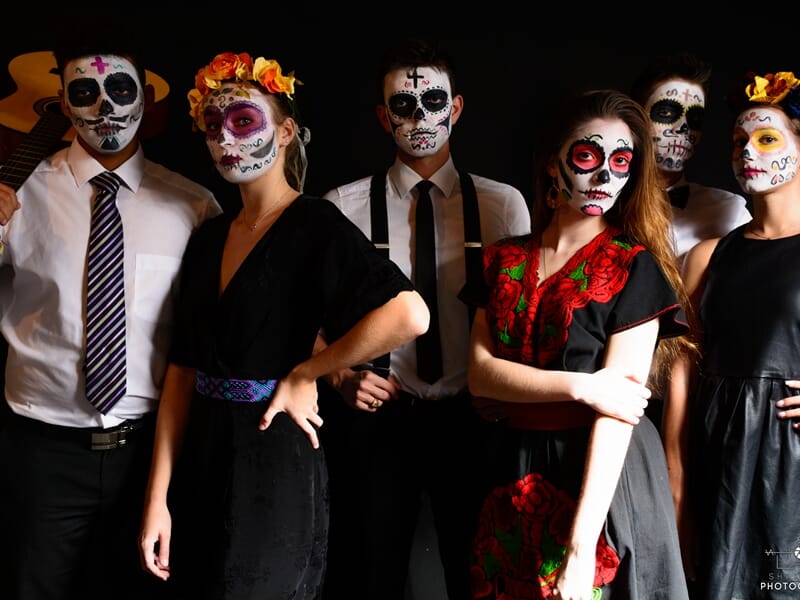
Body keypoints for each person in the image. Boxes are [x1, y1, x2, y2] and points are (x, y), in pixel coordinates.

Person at [137, 51, 429, 600]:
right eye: (213, 125)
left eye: (243, 121)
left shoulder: (314, 224)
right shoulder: (207, 238)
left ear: (287, 131)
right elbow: (182, 370)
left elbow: (410, 313)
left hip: (274, 461)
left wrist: (306, 374)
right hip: (202, 458)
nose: (226, 138)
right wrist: (157, 498)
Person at [0, 32, 221, 600]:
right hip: (39, 453)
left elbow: (226, 321)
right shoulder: (16, 193)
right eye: (86, 91)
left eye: (119, 88)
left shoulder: (193, 207)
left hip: (149, 457)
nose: (104, 106)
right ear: (63, 102)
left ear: (145, 96)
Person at [317, 37, 531, 600]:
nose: (418, 118)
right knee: (370, 572)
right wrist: (340, 376)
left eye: (432, 102)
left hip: (474, 417)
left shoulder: (503, 204)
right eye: (403, 106)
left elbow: (522, 310)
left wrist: (505, 387)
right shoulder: (343, 204)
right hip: (381, 417)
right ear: (383, 116)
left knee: (481, 571)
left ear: (456, 108)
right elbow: (312, 315)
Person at [466, 89, 693, 599]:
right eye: (588, 157)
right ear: (553, 164)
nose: (605, 177)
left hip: (603, 475)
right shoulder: (501, 259)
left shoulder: (636, 266)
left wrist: (581, 546)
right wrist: (586, 387)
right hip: (514, 465)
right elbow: (479, 374)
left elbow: (618, 414)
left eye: (621, 162)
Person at [666, 69, 800, 600]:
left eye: (767, 139)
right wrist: (676, 487)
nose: (749, 151)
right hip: (717, 461)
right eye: (739, 141)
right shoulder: (708, 256)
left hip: (790, 461)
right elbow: (681, 371)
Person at [630, 52, 751, 264]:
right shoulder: (602, 201)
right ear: (635, 118)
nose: (684, 128)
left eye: (694, 118)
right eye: (667, 113)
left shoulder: (729, 211)